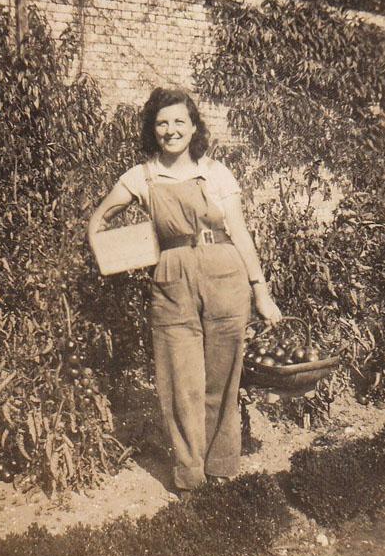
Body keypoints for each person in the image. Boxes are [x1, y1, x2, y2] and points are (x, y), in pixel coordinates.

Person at [88, 87, 281, 497]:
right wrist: (109, 250)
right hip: (172, 277)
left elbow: (241, 233)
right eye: (162, 122)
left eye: (179, 121)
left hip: (225, 271)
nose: (170, 130)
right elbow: (99, 218)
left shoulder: (217, 172)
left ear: (194, 128)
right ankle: (191, 476)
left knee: (222, 377)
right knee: (181, 380)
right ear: (152, 129)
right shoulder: (140, 176)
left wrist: (260, 291)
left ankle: (222, 467)